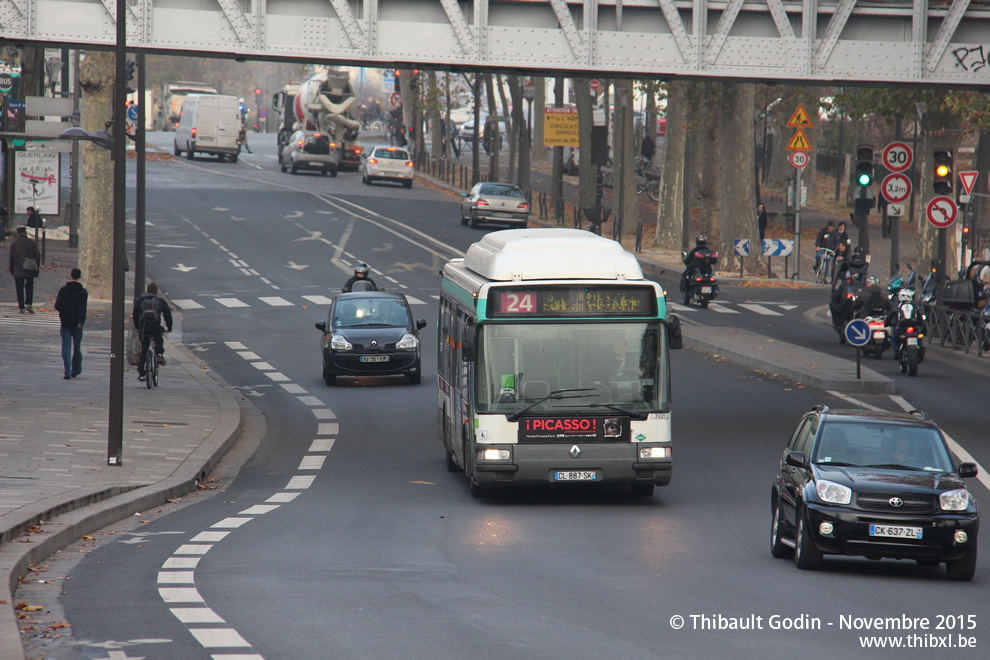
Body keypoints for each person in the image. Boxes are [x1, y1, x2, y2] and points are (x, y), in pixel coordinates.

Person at [132, 282, 173, 381]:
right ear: (156, 292)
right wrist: (169, 327)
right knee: (158, 339)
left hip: (144, 327)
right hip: (155, 326)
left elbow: (135, 315)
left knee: (144, 349)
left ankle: (141, 373)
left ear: (147, 290)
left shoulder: (140, 300)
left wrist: (137, 327)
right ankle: (159, 354)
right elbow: (167, 313)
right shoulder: (159, 301)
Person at [54, 267, 88, 379]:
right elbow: (83, 308)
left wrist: (64, 313)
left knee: (66, 346)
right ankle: (76, 369)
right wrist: (81, 320)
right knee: (77, 347)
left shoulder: (63, 290)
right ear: (80, 276)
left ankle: (67, 371)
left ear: (71, 275)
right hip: (77, 323)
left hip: (65, 321)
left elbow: (57, 305)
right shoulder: (83, 292)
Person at [8, 226, 41, 313]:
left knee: (19, 287)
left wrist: (11, 270)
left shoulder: (14, 243)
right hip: (30, 268)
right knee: (29, 286)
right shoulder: (31, 242)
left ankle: (21, 307)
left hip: (18, 268)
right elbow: (37, 255)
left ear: (18, 234)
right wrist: (37, 266)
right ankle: (29, 304)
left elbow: (11, 258)